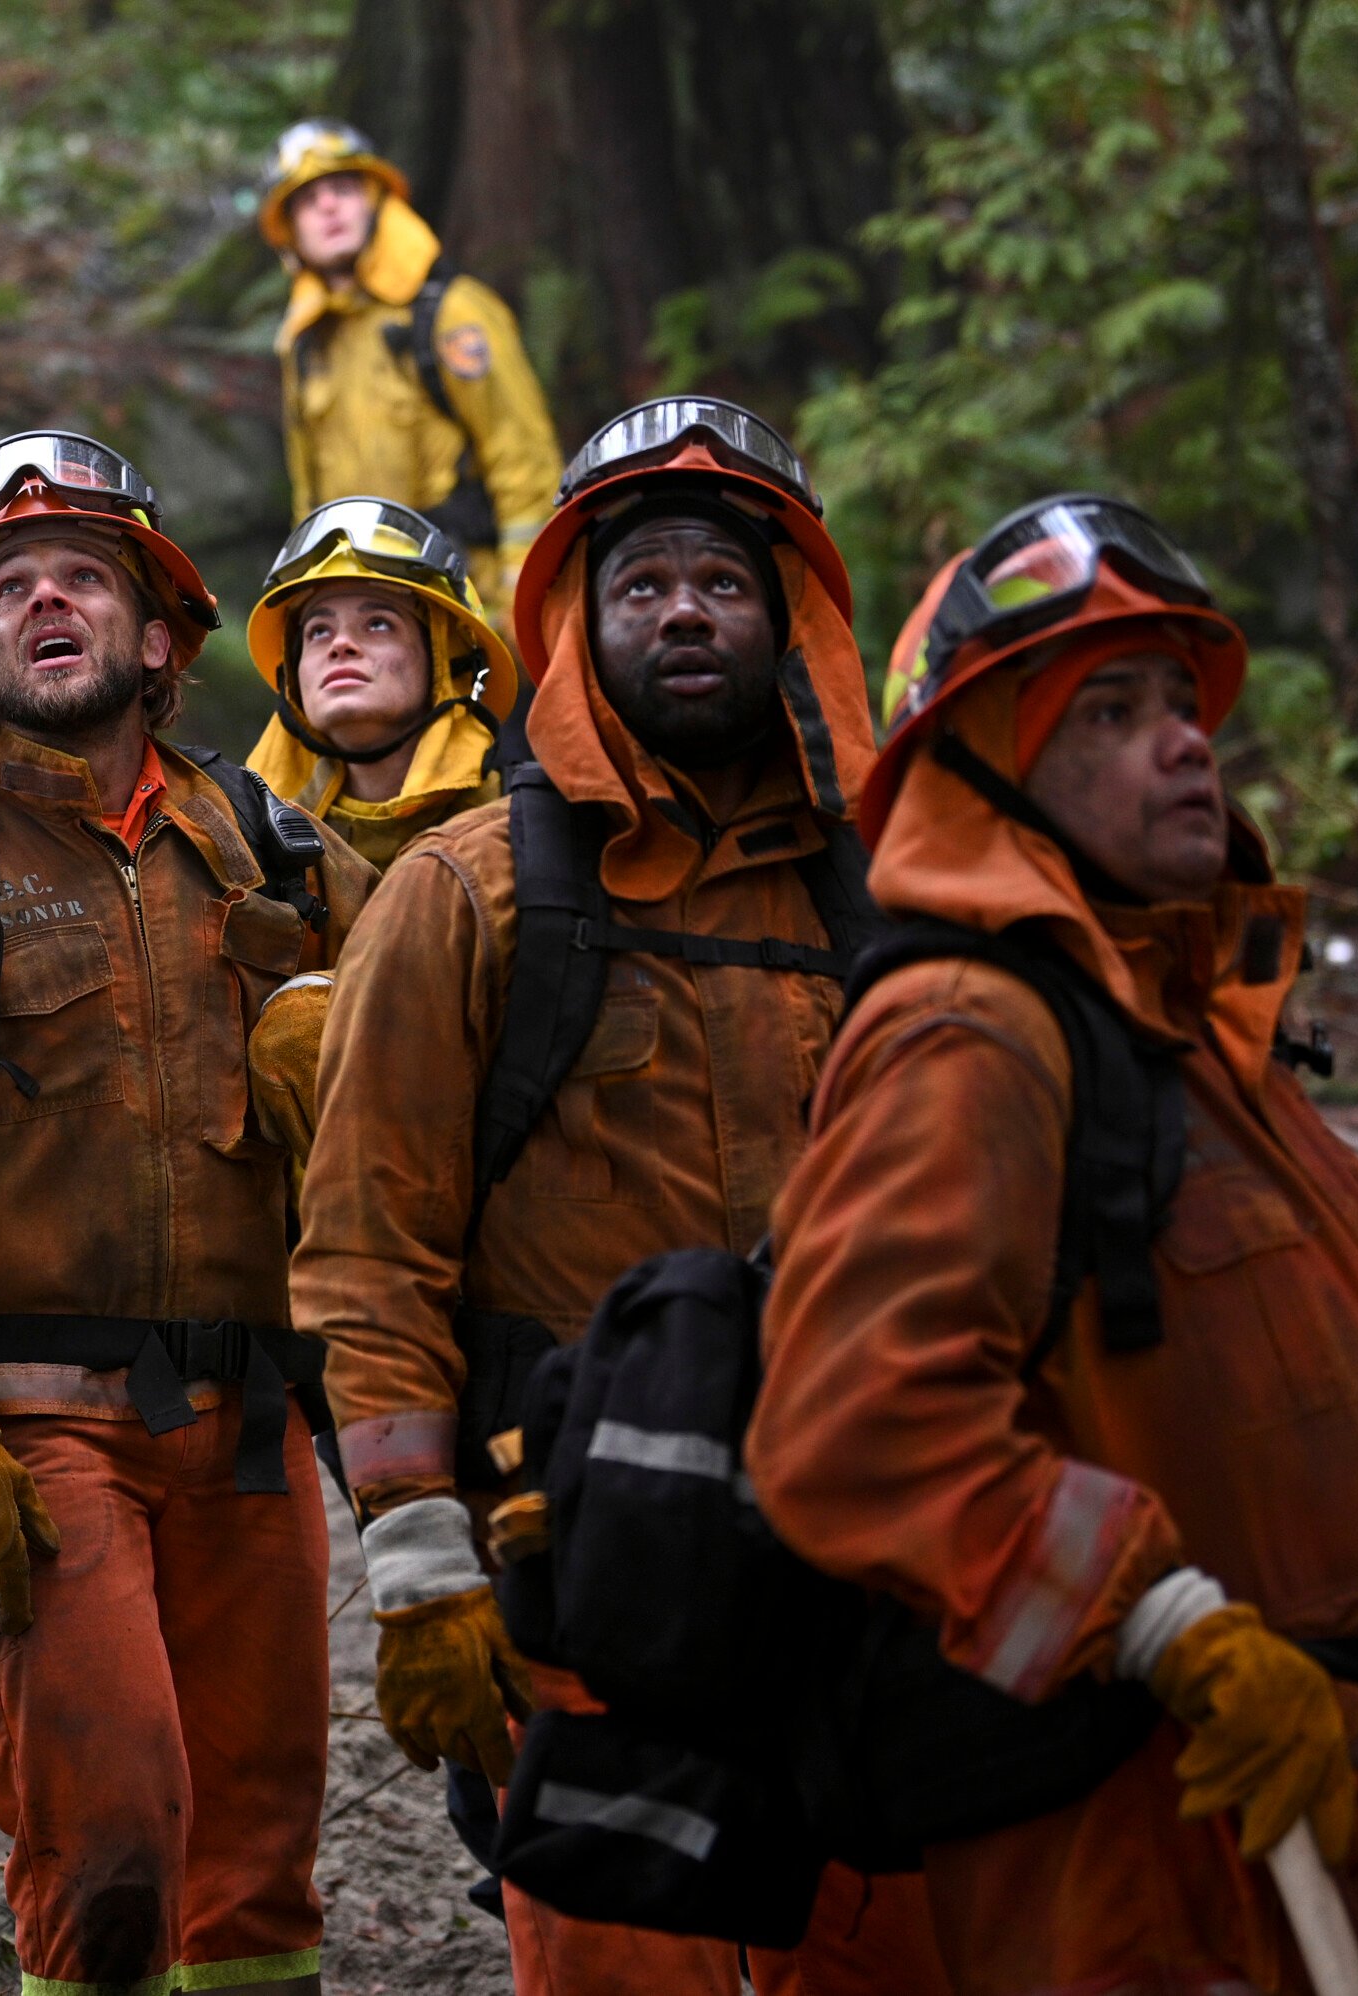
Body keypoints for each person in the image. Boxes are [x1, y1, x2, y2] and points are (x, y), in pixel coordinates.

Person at [751, 496, 1358, 1995]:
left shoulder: (1182, 1032)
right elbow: (856, 1425)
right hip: (1167, 1864)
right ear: (987, 774)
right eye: (1111, 710)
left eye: (1182, 700)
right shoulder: (970, 1032)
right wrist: (1171, 1629)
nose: (1185, 740)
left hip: (1355, 1825)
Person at [290, 400, 949, 1995]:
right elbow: (367, 1251)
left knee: (889, 1957)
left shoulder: (897, 905)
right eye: (640, 580)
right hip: (574, 1559)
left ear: (789, 620)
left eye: (721, 582)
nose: (682, 611)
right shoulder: (470, 896)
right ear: (579, 628)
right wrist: (419, 1559)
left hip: (852, 1541)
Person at [0, 432, 376, 1996]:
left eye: (87, 577)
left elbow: (441, 1073)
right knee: (112, 1847)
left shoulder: (280, 846)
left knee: (259, 1858)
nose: (49, 599)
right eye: (10, 587)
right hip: (40, 1437)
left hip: (249, 1423)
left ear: (161, 633)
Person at [260, 121, 561, 622]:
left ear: (377, 200)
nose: (328, 207)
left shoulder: (452, 313)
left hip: (468, 603)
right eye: (308, 201)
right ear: (290, 232)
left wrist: (521, 603)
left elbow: (523, 457)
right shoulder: (306, 344)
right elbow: (307, 496)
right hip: (366, 615)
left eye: (343, 189)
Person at [243, 495, 517, 870]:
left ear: (447, 664)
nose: (340, 645)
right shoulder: (245, 843)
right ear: (292, 675)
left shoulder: (521, 835)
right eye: (318, 631)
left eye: (377, 623)